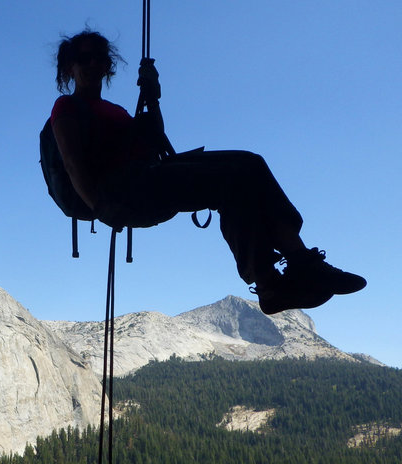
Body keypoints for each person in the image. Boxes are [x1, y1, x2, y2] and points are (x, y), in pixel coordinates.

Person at [50, 30, 366, 314]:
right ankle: (269, 282)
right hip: (121, 191)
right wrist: (100, 207)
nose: (92, 64)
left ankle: (299, 261)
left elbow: (151, 142)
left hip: (144, 178)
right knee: (231, 178)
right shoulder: (66, 107)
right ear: (70, 68)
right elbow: (72, 162)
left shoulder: (117, 113)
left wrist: (152, 95)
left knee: (250, 164)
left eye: (99, 58)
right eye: (83, 58)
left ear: (107, 65)